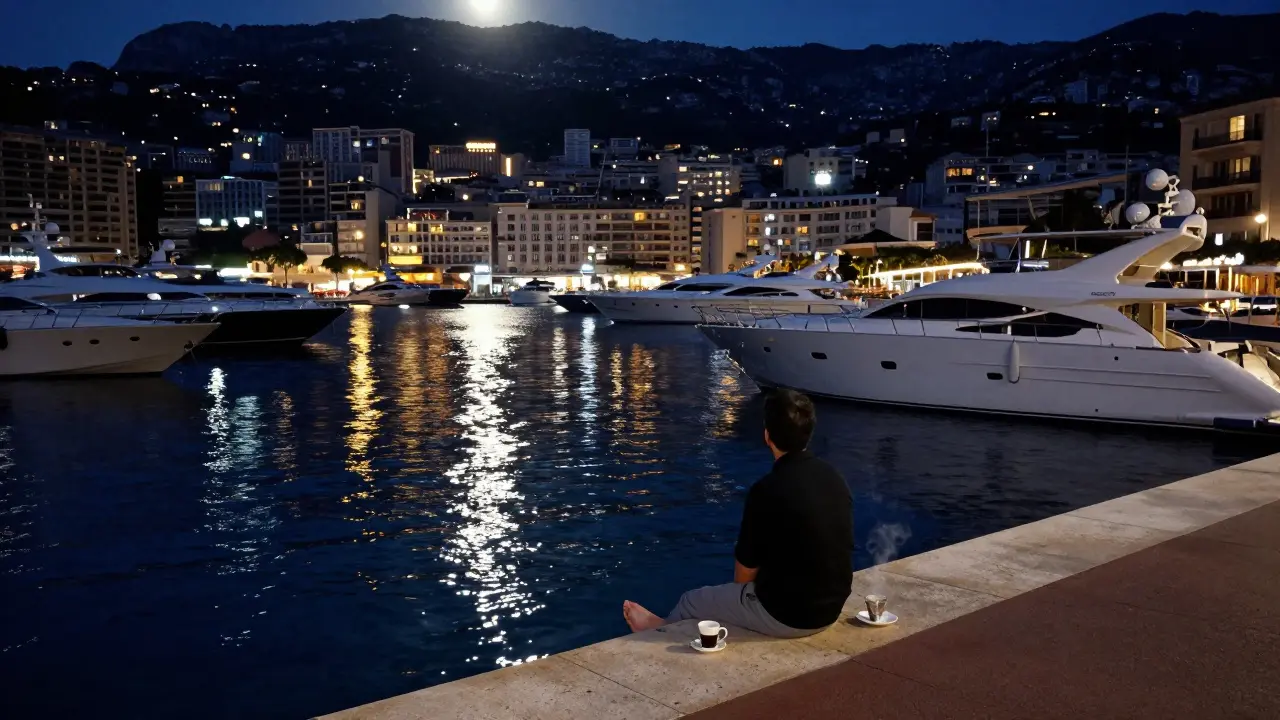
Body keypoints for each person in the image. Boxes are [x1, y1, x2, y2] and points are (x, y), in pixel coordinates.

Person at [623, 389, 853, 639]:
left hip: (791, 617)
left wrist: (741, 601)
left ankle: (658, 630)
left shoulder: (767, 489)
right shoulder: (835, 478)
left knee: (691, 601)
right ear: (808, 433)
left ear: (767, 436)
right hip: (831, 609)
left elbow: (745, 569)